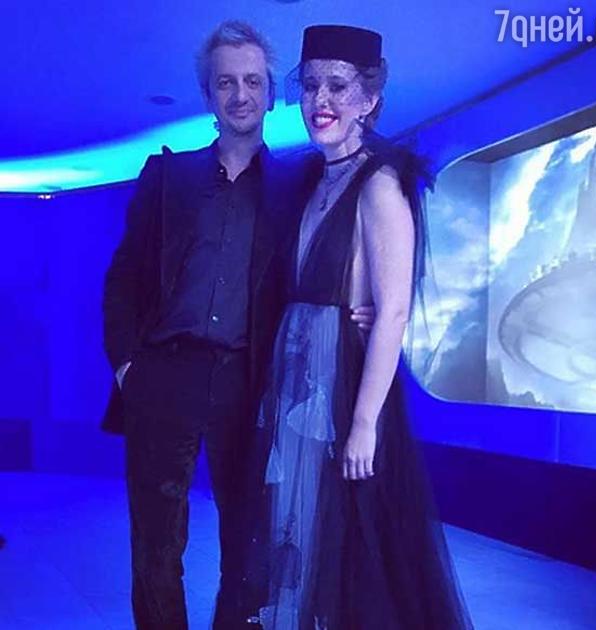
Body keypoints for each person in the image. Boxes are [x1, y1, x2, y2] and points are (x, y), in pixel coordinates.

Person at [101, 20, 374, 630]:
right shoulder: (165, 177)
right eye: (226, 82)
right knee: (155, 545)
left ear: (271, 93)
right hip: (163, 376)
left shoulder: (299, 183)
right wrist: (127, 367)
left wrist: (363, 304)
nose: (240, 94)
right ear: (208, 94)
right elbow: (122, 279)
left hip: (249, 384)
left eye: (252, 81)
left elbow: (333, 255)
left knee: (249, 546)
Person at [249, 25, 473, 629]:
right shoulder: (314, 177)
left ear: (370, 98)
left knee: (353, 546)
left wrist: (365, 424)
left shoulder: (379, 182)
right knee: (299, 533)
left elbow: (393, 311)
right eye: (311, 85)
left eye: (338, 86)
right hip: (299, 377)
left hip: (344, 384)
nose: (320, 100)